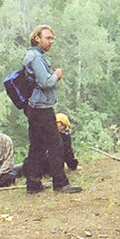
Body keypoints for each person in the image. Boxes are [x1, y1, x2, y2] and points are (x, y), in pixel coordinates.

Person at [21, 24, 82, 194]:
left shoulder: (32, 56)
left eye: (52, 38)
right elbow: (45, 83)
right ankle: (60, 183)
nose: (51, 41)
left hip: (34, 107)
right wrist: (56, 75)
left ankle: (33, 183)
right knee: (56, 144)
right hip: (42, 108)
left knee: (37, 146)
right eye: (48, 38)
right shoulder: (36, 58)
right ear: (37, 38)